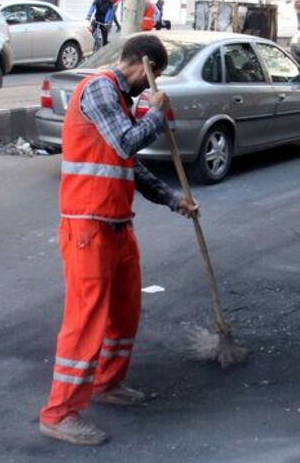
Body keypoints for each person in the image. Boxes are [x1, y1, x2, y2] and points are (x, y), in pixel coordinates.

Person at [39, 35, 199, 446]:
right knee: (86, 320)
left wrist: (171, 200)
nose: (151, 85)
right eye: (154, 75)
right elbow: (127, 142)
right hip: (87, 226)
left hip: (117, 224)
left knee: (125, 311)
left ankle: (107, 383)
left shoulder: (122, 101)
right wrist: (156, 115)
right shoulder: (97, 89)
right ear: (142, 64)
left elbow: (126, 164)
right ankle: (59, 413)